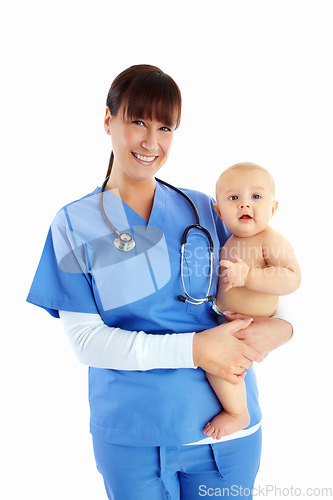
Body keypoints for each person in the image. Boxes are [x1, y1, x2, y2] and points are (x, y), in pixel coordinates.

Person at [27, 65, 293, 500]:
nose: (151, 142)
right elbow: (86, 342)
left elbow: (282, 281)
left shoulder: (207, 209)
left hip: (225, 434)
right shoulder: (74, 224)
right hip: (133, 434)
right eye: (137, 121)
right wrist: (197, 350)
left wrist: (279, 330)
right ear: (108, 118)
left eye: (165, 127)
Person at [203, 163, 301, 441]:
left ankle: (238, 413)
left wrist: (248, 276)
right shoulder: (229, 241)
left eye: (256, 197)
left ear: (274, 207)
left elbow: (292, 278)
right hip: (228, 321)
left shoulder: (271, 240)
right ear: (220, 212)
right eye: (234, 198)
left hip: (250, 326)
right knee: (217, 360)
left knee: (220, 364)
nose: (245, 204)